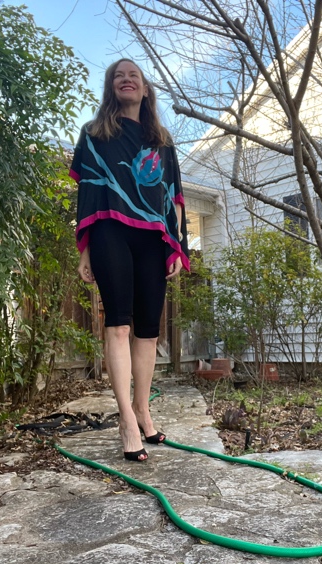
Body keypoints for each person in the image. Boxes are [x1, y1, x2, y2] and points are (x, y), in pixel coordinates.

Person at [70, 59, 190, 462]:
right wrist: (85, 248)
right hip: (109, 232)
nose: (127, 79)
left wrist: (177, 247)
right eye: (119, 75)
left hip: (152, 240)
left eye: (134, 75)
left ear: (144, 88)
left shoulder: (162, 140)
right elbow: (88, 191)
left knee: (149, 333)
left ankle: (143, 408)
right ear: (111, 87)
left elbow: (173, 197)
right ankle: (125, 418)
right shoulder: (94, 134)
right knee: (119, 326)